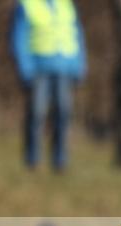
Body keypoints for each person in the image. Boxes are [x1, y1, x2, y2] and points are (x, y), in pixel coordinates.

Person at [10, 0, 86, 171]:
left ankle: (60, 162)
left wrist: (79, 66)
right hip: (38, 68)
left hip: (65, 68)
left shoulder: (66, 4)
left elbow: (77, 35)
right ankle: (33, 161)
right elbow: (18, 38)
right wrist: (25, 67)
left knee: (63, 114)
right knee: (37, 113)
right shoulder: (28, 4)